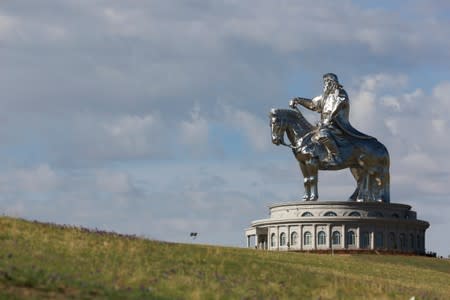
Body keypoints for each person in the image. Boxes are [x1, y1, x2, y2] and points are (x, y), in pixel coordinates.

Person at [289, 73, 371, 166]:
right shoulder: (325, 97)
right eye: (325, 82)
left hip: (337, 124)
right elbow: (312, 104)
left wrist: (328, 119)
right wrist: (298, 100)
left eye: (328, 81)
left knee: (323, 135)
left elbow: (338, 106)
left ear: (333, 82)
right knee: (309, 137)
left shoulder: (340, 93)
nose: (326, 84)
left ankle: (336, 156)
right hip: (325, 125)